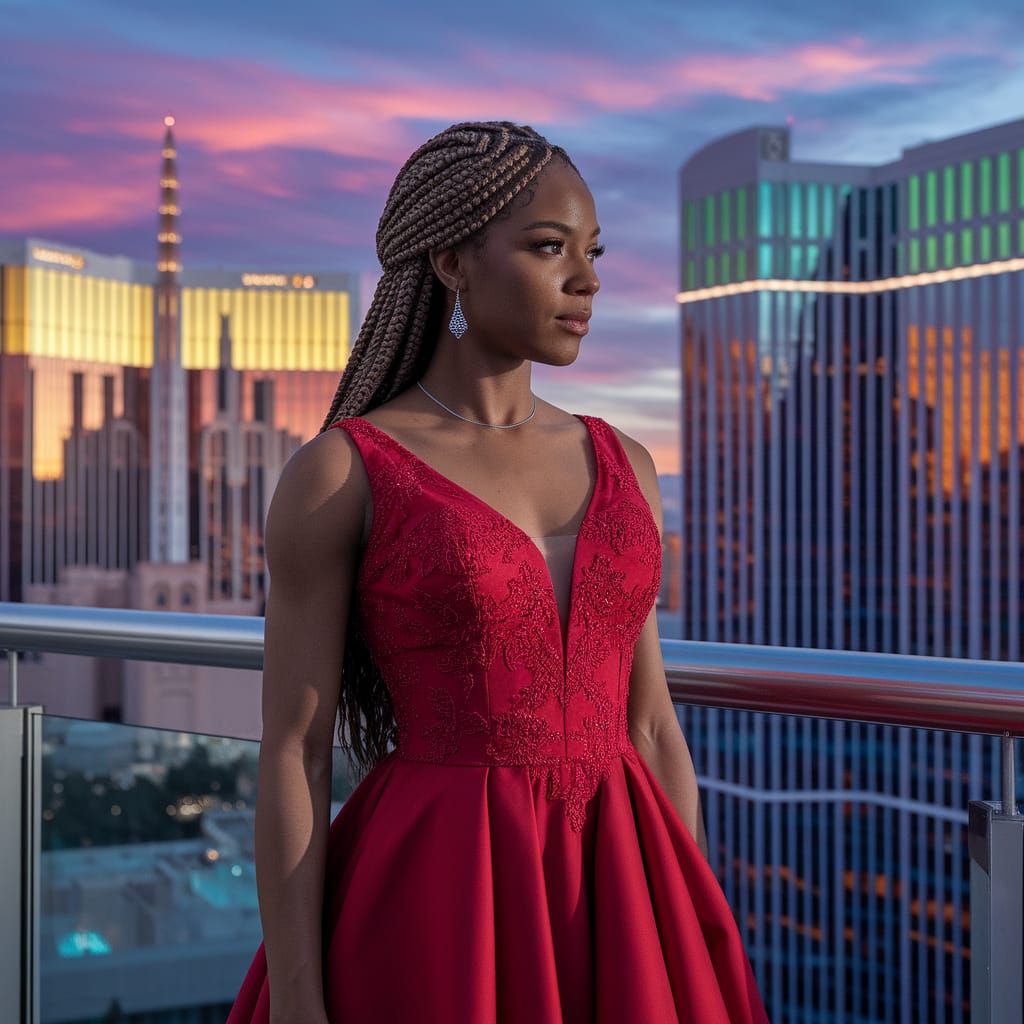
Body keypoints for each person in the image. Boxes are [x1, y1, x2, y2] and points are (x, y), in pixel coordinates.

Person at [226, 121, 769, 1024]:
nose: (587, 280)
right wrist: (296, 996)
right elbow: (295, 750)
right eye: (550, 247)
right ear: (451, 263)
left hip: (624, 885)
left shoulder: (627, 462)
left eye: (593, 251)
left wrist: (688, 928)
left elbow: (650, 724)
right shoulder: (342, 473)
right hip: (442, 891)